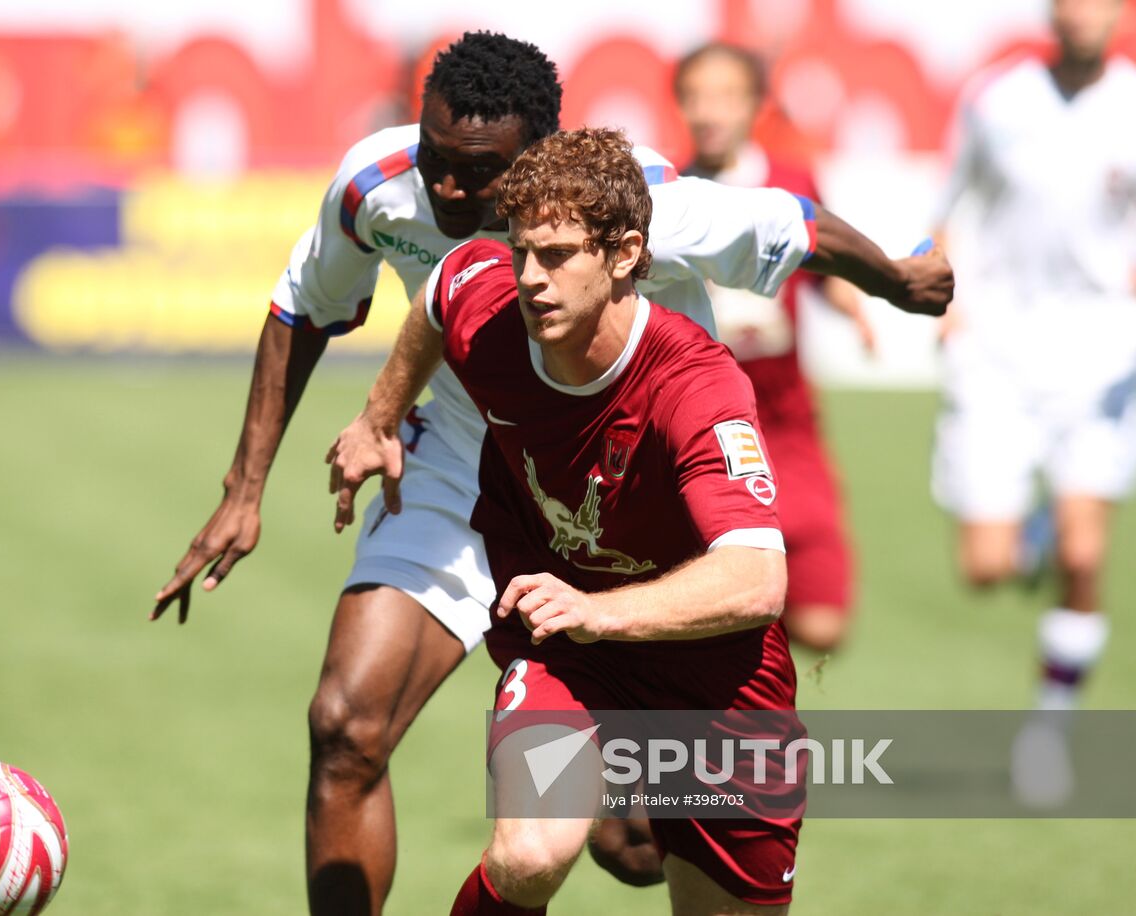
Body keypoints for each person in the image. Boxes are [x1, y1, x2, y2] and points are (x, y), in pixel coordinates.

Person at [152, 31, 948, 912]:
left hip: (630, 500)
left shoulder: (626, 201)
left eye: (477, 172)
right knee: (346, 726)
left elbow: (794, 225)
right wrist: (267, 478)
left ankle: (615, 776)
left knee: (637, 848)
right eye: (435, 158)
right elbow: (326, 303)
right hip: (461, 466)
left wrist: (897, 281)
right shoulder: (379, 185)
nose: (448, 189)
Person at [327, 128, 953, 914]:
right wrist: (379, 418)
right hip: (568, 654)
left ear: (625, 254)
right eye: (522, 250)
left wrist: (599, 610)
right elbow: (441, 294)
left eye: (557, 256)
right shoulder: (493, 305)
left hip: (718, 675)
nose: (529, 278)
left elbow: (757, 578)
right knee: (528, 852)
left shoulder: (697, 387)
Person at [931, 0, 1136, 802]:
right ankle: (1039, 529)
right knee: (987, 567)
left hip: (1103, 356)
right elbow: (944, 210)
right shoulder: (997, 98)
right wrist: (950, 308)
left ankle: (1048, 733)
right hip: (1000, 358)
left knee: (1086, 559)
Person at [674, 42, 871, 652]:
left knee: (823, 627)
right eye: (696, 96)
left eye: (726, 96)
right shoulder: (670, 193)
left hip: (786, 420)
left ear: (755, 105)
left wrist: (854, 303)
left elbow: (823, 262)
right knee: (720, 613)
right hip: (703, 425)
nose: (710, 112)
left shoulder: (789, 184)